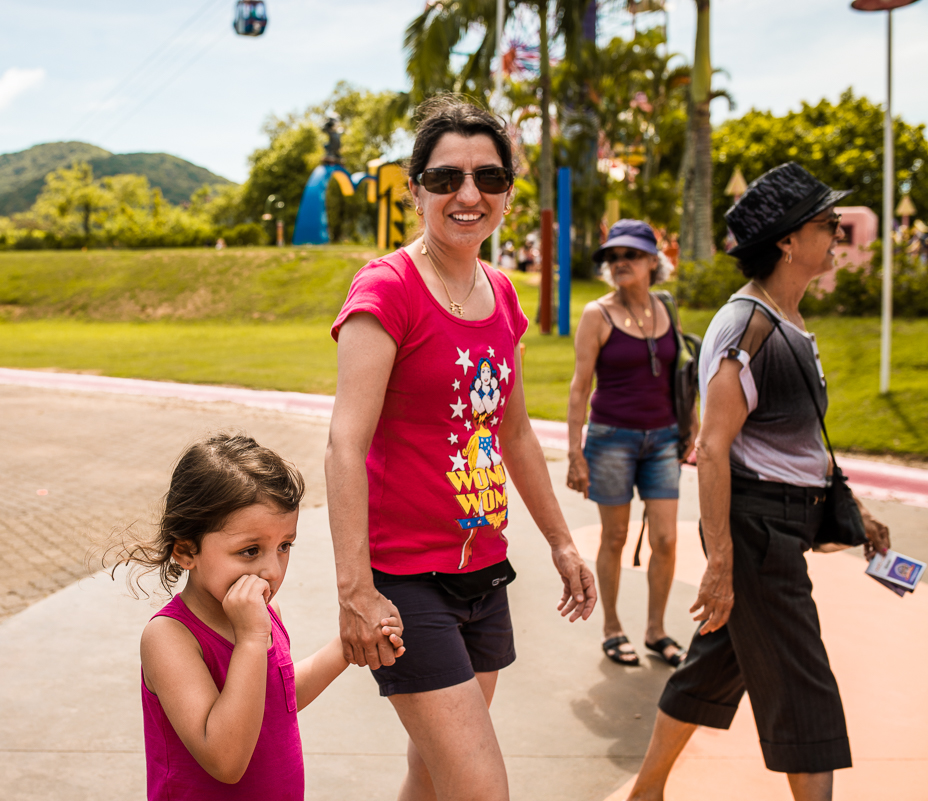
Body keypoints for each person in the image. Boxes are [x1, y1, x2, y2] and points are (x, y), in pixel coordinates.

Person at [326, 96, 596, 801]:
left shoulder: (503, 293)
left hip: (482, 573)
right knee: (482, 788)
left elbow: (513, 432)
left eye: (488, 178)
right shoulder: (386, 290)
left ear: (508, 189)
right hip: (405, 581)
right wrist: (355, 590)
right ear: (416, 188)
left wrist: (562, 542)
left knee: (432, 771)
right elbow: (344, 444)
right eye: (446, 178)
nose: (468, 194)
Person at [627, 163, 891, 801]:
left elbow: (796, 440)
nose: (837, 235)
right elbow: (712, 449)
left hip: (775, 526)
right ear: (787, 241)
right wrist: (721, 560)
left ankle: (646, 794)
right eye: (826, 224)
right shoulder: (750, 328)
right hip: (758, 533)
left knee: (713, 668)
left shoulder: (788, 322)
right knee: (806, 690)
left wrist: (852, 507)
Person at [118, 433, 404, 801]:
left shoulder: (266, 615)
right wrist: (252, 639)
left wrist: (346, 649)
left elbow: (275, 701)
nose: (271, 569)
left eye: (284, 546)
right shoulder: (171, 637)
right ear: (187, 551)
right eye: (250, 550)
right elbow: (225, 759)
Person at [565, 219, 692, 668]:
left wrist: (688, 424)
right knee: (615, 537)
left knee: (666, 538)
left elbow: (681, 374)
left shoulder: (666, 308)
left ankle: (656, 631)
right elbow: (580, 387)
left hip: (663, 440)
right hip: (611, 439)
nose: (620, 263)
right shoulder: (597, 315)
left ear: (653, 262)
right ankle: (612, 627)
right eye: (613, 257)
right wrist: (574, 452)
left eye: (631, 255)